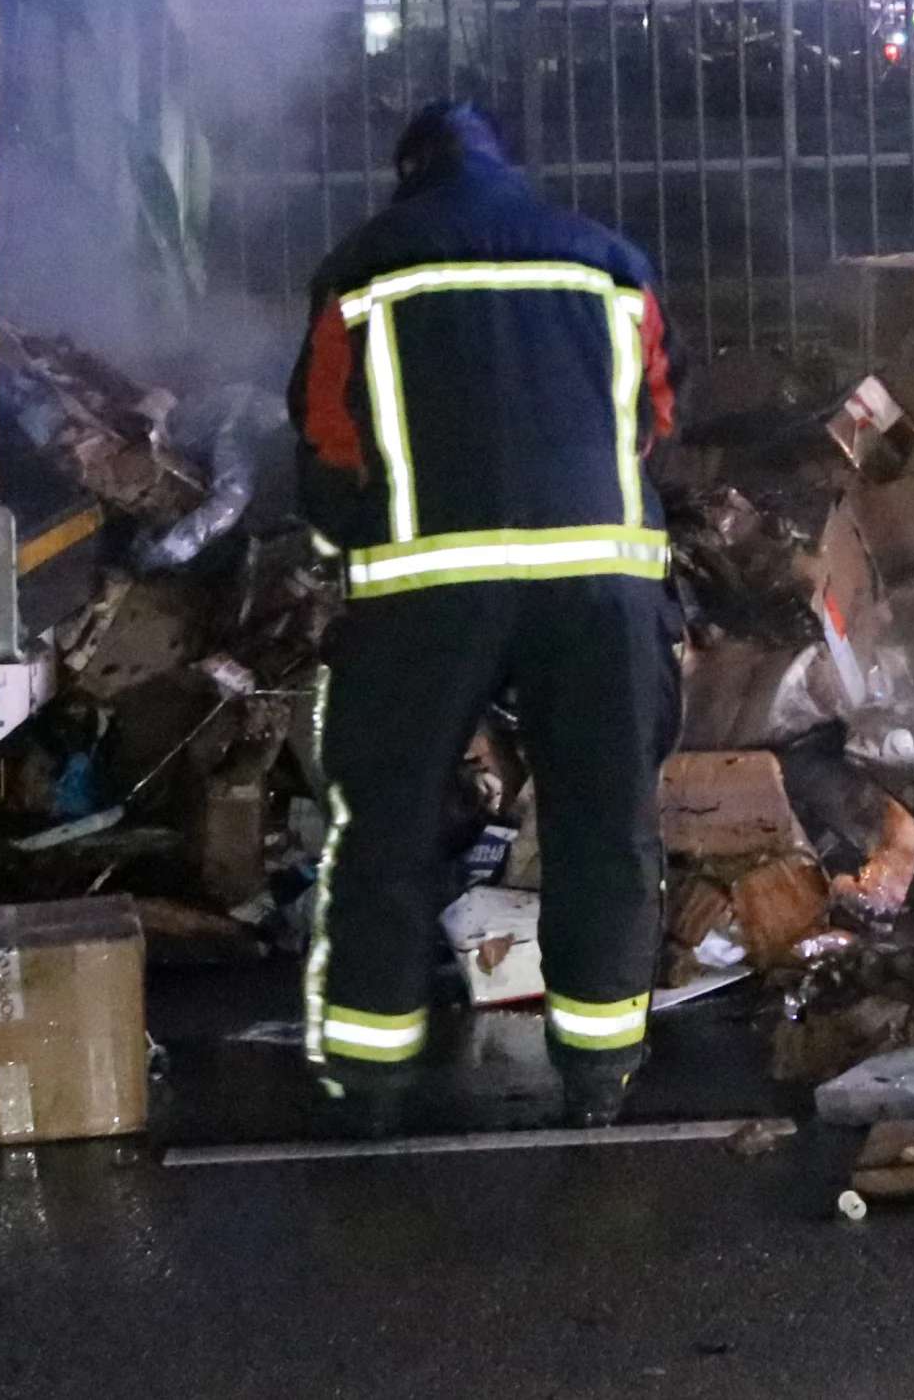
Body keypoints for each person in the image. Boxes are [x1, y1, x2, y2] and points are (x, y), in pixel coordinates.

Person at [286, 100, 681, 1126]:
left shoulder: (365, 266)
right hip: (601, 587)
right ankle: (600, 1071)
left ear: (407, 175)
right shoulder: (608, 262)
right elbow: (652, 422)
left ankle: (371, 1077)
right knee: (605, 827)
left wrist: (354, 531)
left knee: (388, 827)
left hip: (430, 593)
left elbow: (328, 437)